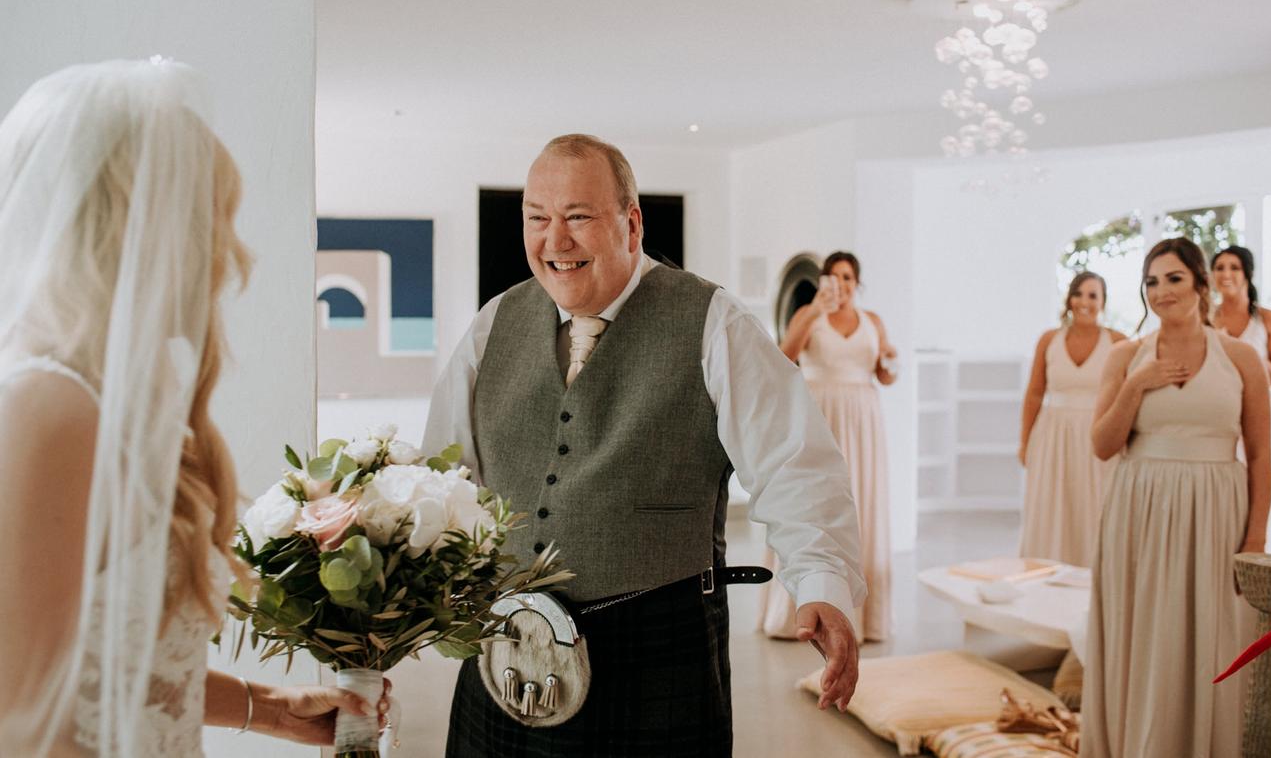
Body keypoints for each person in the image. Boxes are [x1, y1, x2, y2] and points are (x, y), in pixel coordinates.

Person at [424, 134, 864, 756]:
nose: (555, 241)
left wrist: (822, 582)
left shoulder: (714, 322)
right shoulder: (493, 323)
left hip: (657, 653)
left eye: (578, 216)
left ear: (631, 223)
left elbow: (795, 464)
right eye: (537, 219)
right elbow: (444, 477)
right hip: (507, 653)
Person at [0, 60, 386, 756]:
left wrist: (273, 708)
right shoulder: (46, 409)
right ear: (132, 227)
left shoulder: (100, 404)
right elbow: (24, 722)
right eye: (209, 220)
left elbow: (110, 667)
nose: (230, 256)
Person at [1081, 237, 1271, 758]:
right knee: (1142, 637)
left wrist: (1254, 540)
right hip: (1138, 512)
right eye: (1150, 281)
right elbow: (1101, 445)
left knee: (1212, 633)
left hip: (1217, 514)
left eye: (1174, 278)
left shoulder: (1241, 357)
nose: (1161, 291)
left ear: (1201, 285)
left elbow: (1259, 456)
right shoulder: (1125, 356)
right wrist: (1136, 385)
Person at [759, 251, 896, 642]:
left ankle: (863, 616)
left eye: (848, 277)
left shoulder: (873, 323)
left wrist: (890, 362)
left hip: (864, 419)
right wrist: (815, 311)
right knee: (814, 502)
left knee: (860, 501)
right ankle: (799, 609)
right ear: (823, 282)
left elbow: (884, 375)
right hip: (820, 415)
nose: (841, 284)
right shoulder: (809, 315)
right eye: (834, 277)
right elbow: (783, 359)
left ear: (857, 283)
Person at [1016, 271, 1126, 567]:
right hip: (1052, 434)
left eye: (1093, 295)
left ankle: (1093, 580)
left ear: (1103, 302)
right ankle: (1044, 574)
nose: (1084, 302)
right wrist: (1024, 443)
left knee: (1094, 506)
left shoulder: (1118, 342)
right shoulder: (1049, 339)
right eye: (1079, 293)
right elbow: (1034, 394)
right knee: (1051, 506)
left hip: (1096, 435)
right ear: (1069, 298)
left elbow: (1128, 398)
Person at [1211, 245, 1271, 387]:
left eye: (1235, 267)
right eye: (1219, 268)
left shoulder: (1268, 319)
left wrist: (1253, 359)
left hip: (1260, 407)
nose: (1226, 274)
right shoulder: (1205, 319)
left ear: (1248, 273)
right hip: (1214, 406)